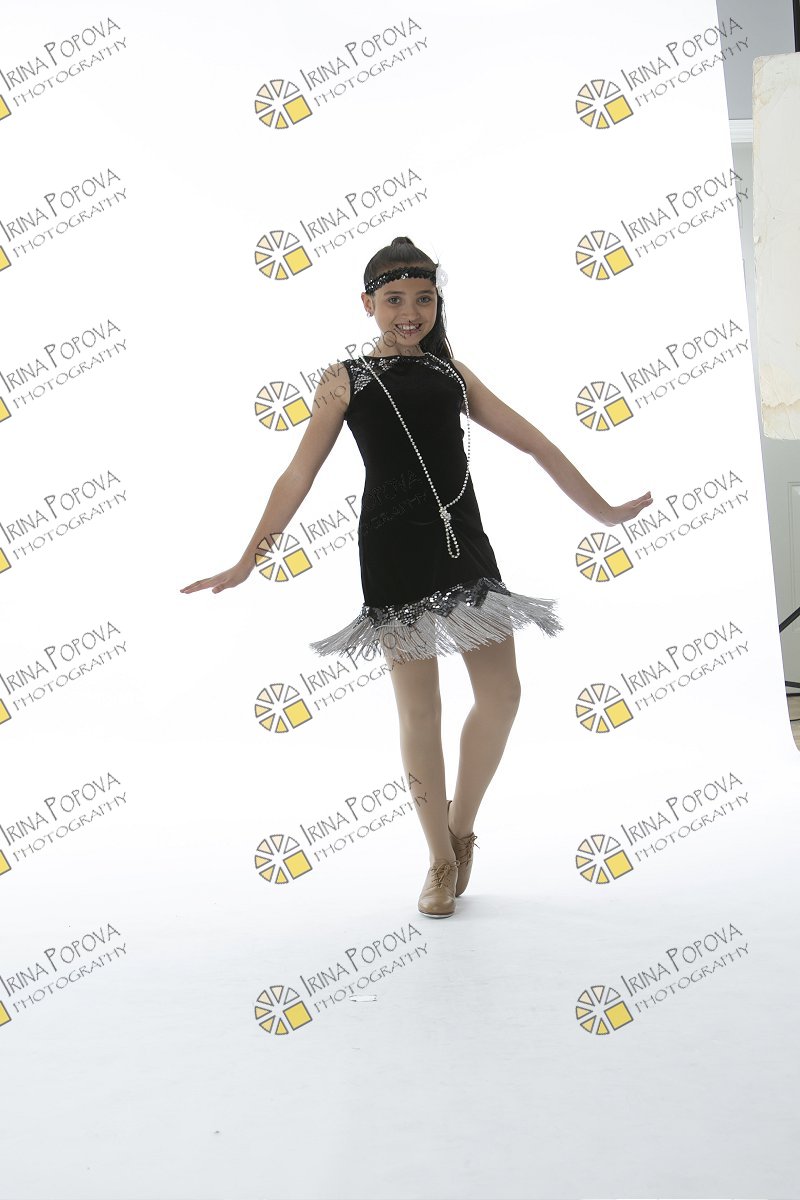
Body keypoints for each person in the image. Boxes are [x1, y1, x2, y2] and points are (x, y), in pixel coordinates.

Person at [181, 236, 652, 919]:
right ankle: (437, 858)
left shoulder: (452, 373)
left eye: (424, 299)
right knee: (420, 710)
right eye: (394, 299)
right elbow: (298, 472)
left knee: (503, 694)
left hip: (464, 545)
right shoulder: (345, 378)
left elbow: (534, 442)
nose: (410, 313)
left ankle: (461, 829)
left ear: (437, 303)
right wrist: (248, 557)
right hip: (393, 547)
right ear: (367, 304)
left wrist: (603, 511)